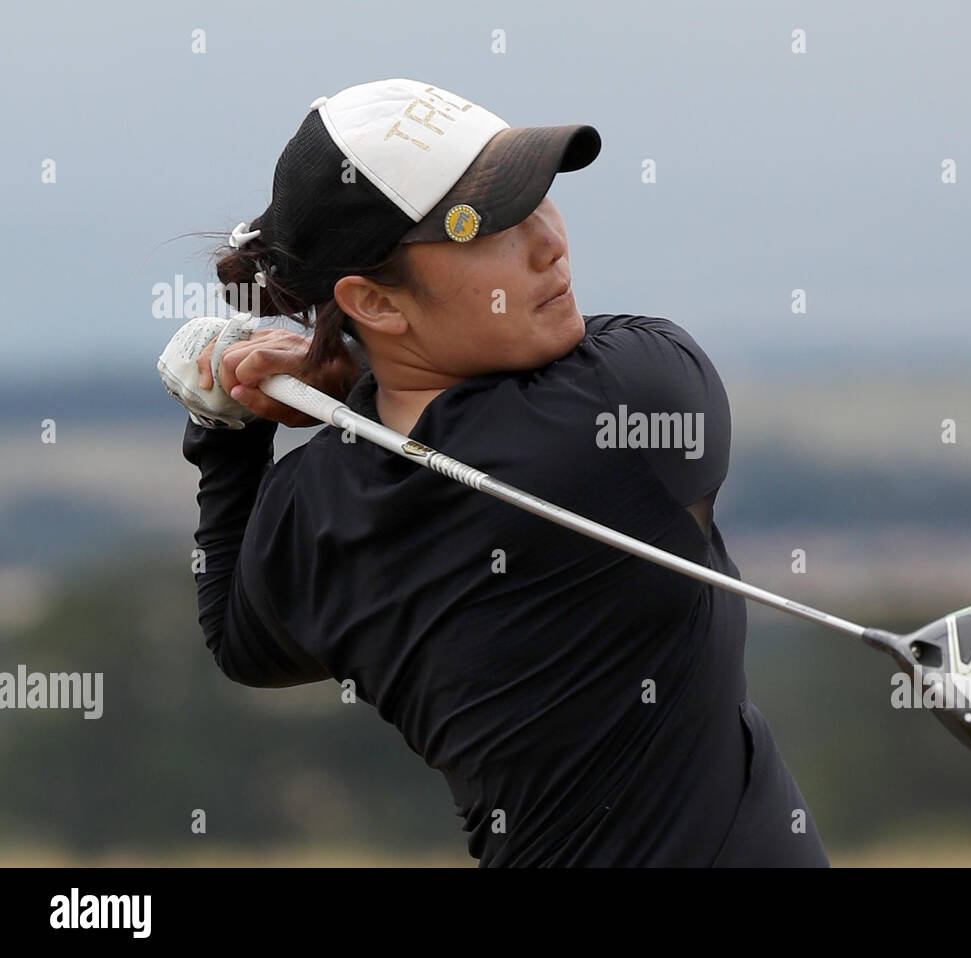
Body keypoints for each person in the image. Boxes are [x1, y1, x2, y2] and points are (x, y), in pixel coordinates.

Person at [179, 78, 828, 866]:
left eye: (537, 199)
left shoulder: (311, 512)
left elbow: (238, 639)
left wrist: (225, 426)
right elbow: (529, 407)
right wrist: (342, 375)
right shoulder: (636, 399)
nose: (549, 243)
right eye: (485, 224)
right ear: (375, 303)